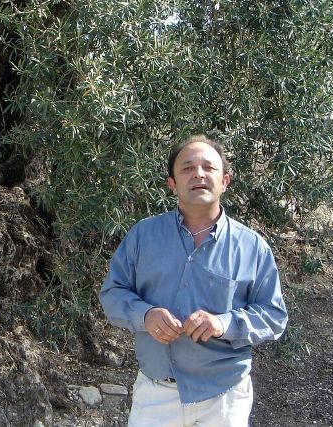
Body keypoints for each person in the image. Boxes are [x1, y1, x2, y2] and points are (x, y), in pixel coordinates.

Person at [99, 135, 288, 427]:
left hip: (224, 398)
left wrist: (223, 323)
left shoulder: (251, 247)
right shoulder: (143, 236)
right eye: (187, 168)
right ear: (172, 184)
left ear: (225, 181)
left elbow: (273, 316)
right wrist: (146, 315)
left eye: (208, 167)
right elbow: (113, 293)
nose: (198, 174)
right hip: (155, 393)